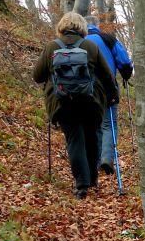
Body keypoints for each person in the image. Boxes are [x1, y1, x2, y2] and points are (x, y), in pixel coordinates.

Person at [33, 12, 119, 199]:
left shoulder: (51, 47)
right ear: (82, 27)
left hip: (62, 102)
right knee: (92, 138)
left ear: (62, 26)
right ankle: (92, 178)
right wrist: (112, 96)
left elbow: (37, 76)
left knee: (74, 140)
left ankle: (82, 184)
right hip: (91, 101)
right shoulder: (90, 46)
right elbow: (106, 76)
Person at [85, 15, 133, 174]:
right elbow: (124, 61)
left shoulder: (79, 41)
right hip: (107, 88)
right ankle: (106, 159)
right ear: (97, 26)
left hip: (84, 89)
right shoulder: (107, 39)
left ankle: (96, 160)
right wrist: (126, 75)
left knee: (93, 125)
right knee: (108, 124)